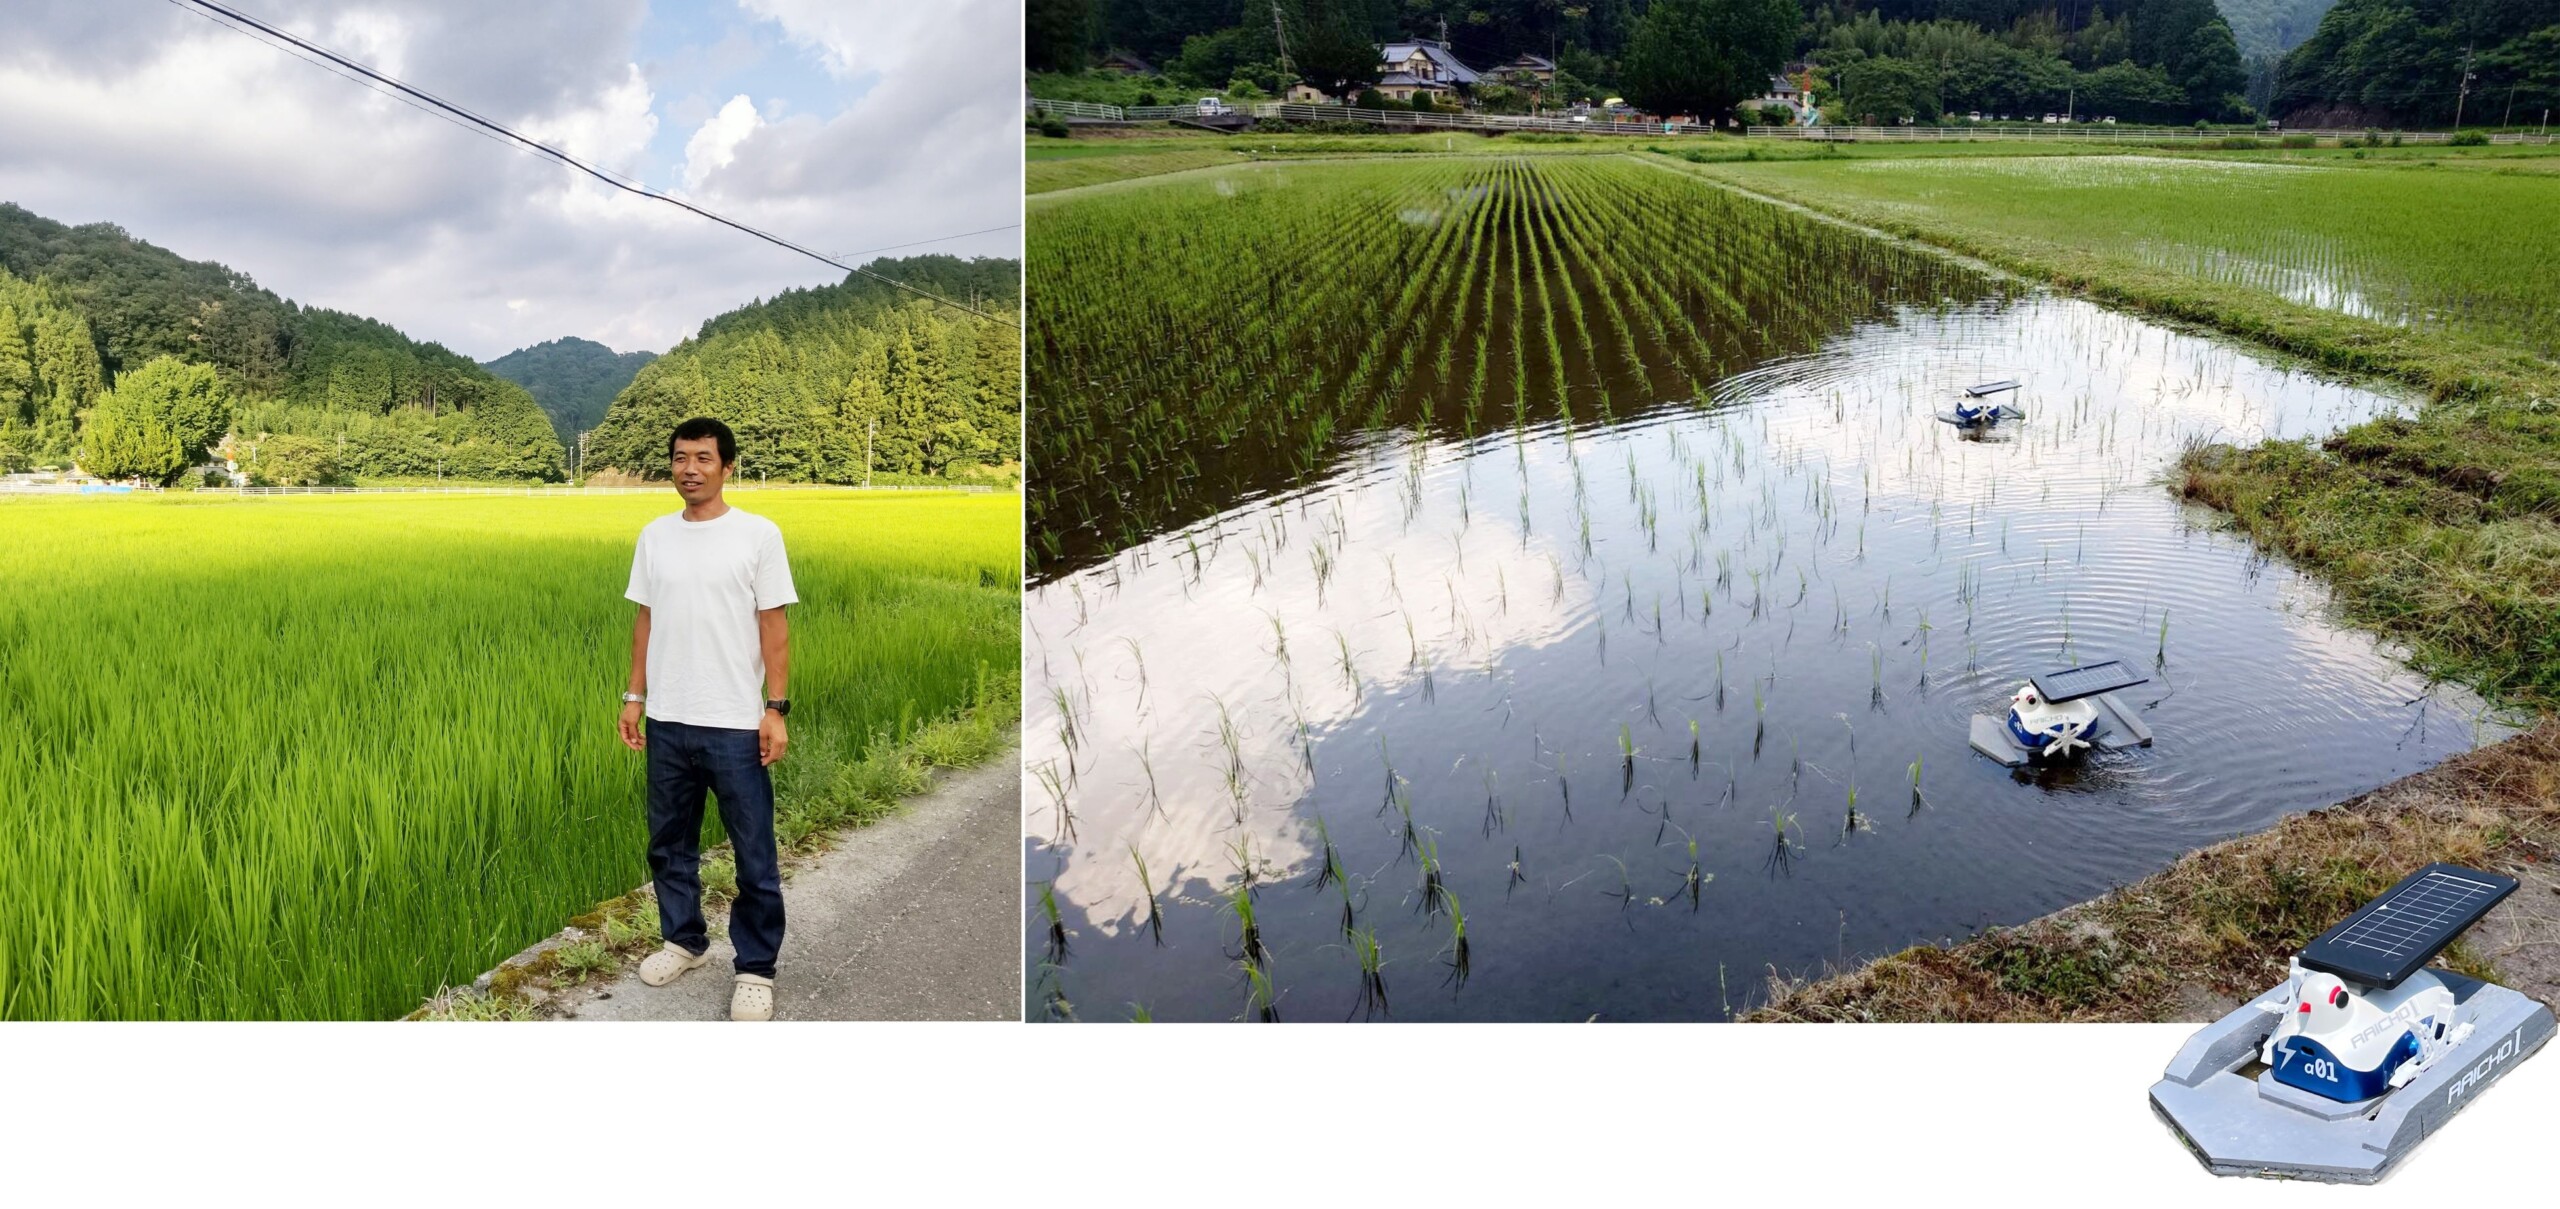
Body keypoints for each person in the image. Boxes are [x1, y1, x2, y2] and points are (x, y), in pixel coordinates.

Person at [616, 415, 797, 1021]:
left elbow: (774, 626)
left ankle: (755, 968)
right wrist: (634, 696)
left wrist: (775, 709)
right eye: (679, 458)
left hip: (735, 723)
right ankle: (684, 941)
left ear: (727, 466)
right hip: (668, 718)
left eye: (702, 458)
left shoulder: (758, 535)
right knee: (669, 844)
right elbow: (645, 619)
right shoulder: (655, 536)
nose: (689, 469)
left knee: (753, 852)